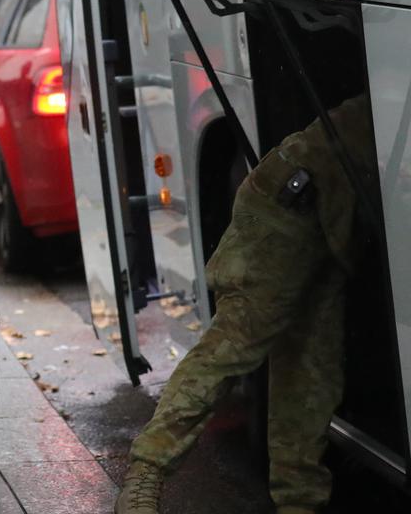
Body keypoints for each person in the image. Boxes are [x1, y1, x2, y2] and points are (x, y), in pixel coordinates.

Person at [116, 95, 377, 514]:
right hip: (286, 212)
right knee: (231, 348)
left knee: (310, 380)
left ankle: (299, 504)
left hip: (329, 230)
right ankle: (146, 473)